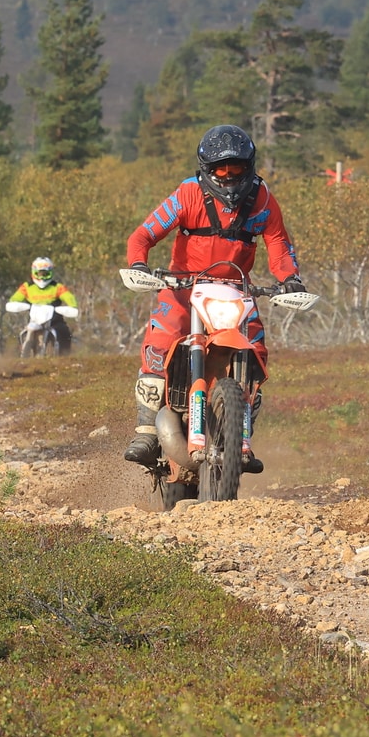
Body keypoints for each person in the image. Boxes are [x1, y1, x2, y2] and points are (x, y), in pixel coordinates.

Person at [122, 124, 305, 476]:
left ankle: (241, 434)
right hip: (182, 287)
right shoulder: (187, 194)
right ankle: (145, 430)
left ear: (249, 167)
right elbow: (143, 235)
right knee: (160, 339)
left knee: (256, 349)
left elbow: (279, 246)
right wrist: (139, 265)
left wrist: (290, 279)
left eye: (236, 168)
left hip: (235, 288)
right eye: (221, 170)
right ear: (207, 171)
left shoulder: (263, 200)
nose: (229, 176)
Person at [9, 256, 79, 354]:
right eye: (39, 274)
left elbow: (70, 298)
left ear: (51, 273)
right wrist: (14, 305)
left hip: (54, 320)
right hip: (34, 319)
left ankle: (64, 356)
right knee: (18, 335)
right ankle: (17, 355)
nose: (42, 278)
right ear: (33, 273)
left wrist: (72, 307)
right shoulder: (27, 287)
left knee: (65, 333)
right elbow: (14, 299)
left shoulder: (57, 287)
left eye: (45, 274)